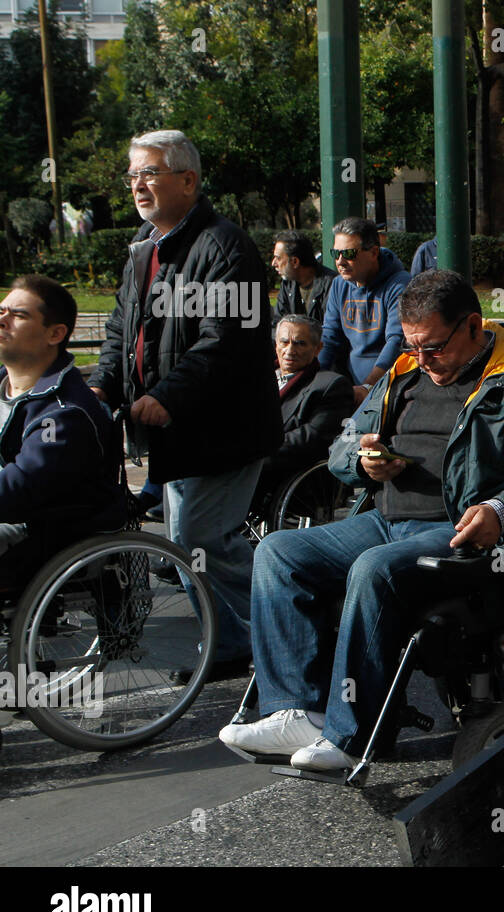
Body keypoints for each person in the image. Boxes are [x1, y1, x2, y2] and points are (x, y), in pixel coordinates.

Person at [218, 270, 504, 772]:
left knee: (374, 568)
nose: (421, 358)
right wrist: (361, 460)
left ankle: (347, 734)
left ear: (474, 327)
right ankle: (297, 710)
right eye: (413, 346)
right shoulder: (403, 372)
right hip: (384, 518)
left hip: (461, 527)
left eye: (433, 347)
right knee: (278, 551)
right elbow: (342, 446)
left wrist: (502, 509)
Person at [88, 129, 280, 680]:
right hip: (176, 432)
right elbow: (121, 331)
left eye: (149, 173)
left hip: (222, 430)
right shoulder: (144, 250)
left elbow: (227, 340)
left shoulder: (225, 246)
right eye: (132, 175)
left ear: (188, 180)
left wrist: (166, 396)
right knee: (189, 542)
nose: (137, 186)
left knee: (201, 540)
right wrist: (104, 385)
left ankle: (295, 604)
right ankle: (231, 643)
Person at [0, 276, 126, 591]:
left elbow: (21, 488)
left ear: (55, 334)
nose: (2, 320)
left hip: (36, 528)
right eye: (2, 310)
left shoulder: (65, 412)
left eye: (18, 315)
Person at [251, 315, 355, 512]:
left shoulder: (329, 385)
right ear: (275, 345)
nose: (290, 350)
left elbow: (313, 436)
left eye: (300, 343)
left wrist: (257, 448)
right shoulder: (258, 378)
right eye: (284, 342)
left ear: (317, 349)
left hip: (282, 464)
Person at [318, 217, 411, 407]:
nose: (340, 261)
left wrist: (368, 386)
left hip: (392, 386)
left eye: (349, 253)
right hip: (350, 384)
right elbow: (329, 337)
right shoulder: (338, 285)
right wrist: (312, 377)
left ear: (374, 252)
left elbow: (397, 341)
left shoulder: (400, 284)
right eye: (336, 253)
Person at [271, 230, 336, 326]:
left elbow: (331, 330)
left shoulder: (332, 285)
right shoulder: (287, 284)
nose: (274, 263)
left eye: (278, 258)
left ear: (295, 262)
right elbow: (277, 323)